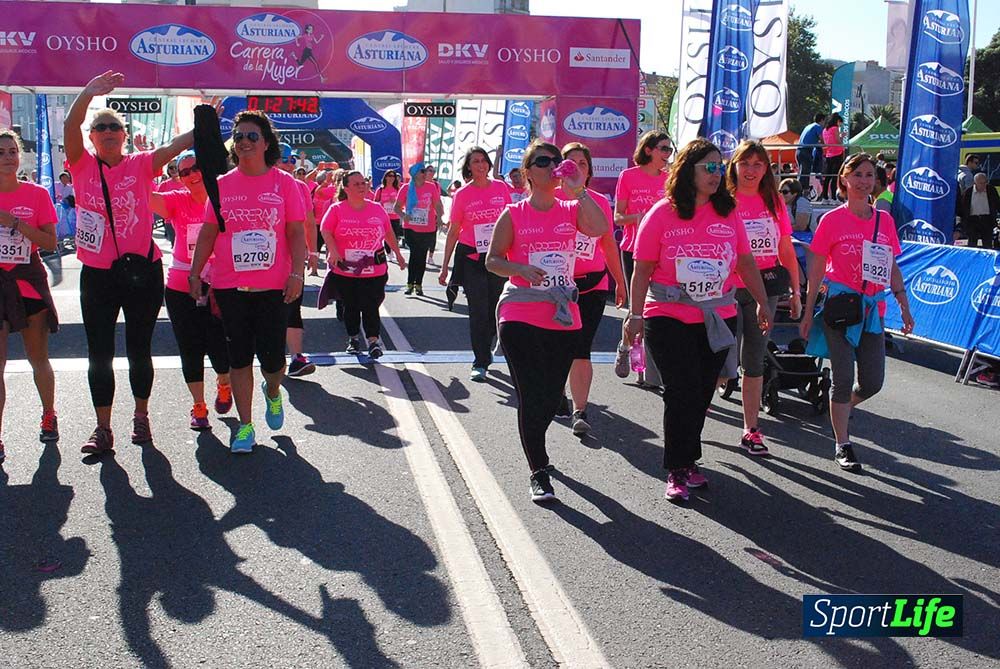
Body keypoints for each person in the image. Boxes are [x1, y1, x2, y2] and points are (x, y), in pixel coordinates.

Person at [627, 138, 770, 501]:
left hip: (717, 316)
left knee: (703, 391)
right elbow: (642, 270)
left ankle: (689, 460)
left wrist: (762, 302)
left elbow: (745, 262)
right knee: (681, 390)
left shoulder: (729, 213)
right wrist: (635, 314)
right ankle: (677, 468)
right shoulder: (661, 213)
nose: (715, 173)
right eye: (708, 166)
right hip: (669, 315)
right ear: (687, 170)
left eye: (719, 167)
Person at [65, 70, 193, 454]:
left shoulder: (139, 165)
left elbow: (173, 147)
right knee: (99, 352)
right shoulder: (81, 164)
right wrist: (88, 92)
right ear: (92, 137)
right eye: (100, 127)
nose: (107, 132)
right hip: (99, 274)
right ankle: (103, 429)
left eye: (113, 127)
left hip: (143, 271)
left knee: (140, 348)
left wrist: (205, 120)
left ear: (123, 136)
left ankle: (141, 416)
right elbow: (72, 122)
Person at [485, 140, 608, 502]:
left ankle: (540, 448)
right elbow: (492, 260)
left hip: (562, 312)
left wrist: (578, 189)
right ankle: (538, 470)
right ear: (528, 172)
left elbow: (600, 229)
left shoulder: (572, 208)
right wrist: (520, 268)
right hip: (520, 310)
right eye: (543, 161)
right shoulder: (513, 214)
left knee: (552, 395)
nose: (552, 166)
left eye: (557, 161)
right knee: (531, 395)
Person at [189, 110, 307, 454]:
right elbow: (209, 231)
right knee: (238, 359)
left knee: (273, 362)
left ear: (266, 142)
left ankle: (273, 392)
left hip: (273, 287)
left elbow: (296, 231)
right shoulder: (222, 185)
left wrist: (297, 273)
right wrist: (196, 273)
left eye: (252, 136)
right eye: (239, 136)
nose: (244, 142)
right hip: (230, 286)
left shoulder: (285, 184)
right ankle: (245, 426)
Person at [799, 152, 914, 472]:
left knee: (872, 382)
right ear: (845, 180)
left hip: (872, 309)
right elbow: (817, 271)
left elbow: (891, 267)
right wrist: (808, 313)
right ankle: (842, 443)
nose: (865, 181)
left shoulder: (884, 221)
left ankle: (841, 407)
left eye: (869, 176)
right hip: (840, 306)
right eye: (858, 175)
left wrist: (904, 306)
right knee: (842, 377)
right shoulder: (832, 220)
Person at [725, 141, 802, 456]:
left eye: (758, 164)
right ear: (735, 165)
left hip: (766, 288)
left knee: (753, 360)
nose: (751, 170)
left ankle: (750, 429)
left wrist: (796, 291)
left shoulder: (773, 202)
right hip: (726, 288)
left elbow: (785, 248)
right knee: (719, 359)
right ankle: (696, 414)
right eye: (745, 163)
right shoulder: (723, 201)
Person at [149, 150, 232, 430]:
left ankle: (224, 382)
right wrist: (145, 163)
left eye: (196, 168)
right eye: (185, 172)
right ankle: (198, 407)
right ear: (178, 178)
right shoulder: (176, 200)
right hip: (180, 284)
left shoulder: (225, 197)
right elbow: (143, 195)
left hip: (219, 284)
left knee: (219, 345)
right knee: (189, 347)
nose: (193, 175)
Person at [556, 142, 627, 435]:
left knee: (581, 348)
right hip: (555, 287)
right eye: (570, 162)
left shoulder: (598, 201)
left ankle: (579, 410)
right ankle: (557, 392)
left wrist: (620, 282)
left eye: (582, 164)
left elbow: (609, 245)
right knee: (557, 347)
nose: (576, 168)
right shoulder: (549, 199)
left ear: (589, 170)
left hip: (592, 285)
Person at [0, 129, 60, 464]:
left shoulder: (36, 194)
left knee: (38, 358)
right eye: (2, 152)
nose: (8, 157)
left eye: (12, 151)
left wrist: (17, 224)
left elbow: (51, 244)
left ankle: (49, 413)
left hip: (27, 282)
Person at [439, 147, 511, 381]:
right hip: (472, 257)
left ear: (489, 165)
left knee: (494, 310)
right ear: (468, 167)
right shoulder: (462, 195)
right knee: (478, 310)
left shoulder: (501, 188)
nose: (480, 165)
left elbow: (513, 223)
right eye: (475, 161)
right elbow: (453, 231)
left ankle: (487, 344)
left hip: (499, 257)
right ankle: (480, 360)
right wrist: (444, 266)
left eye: (483, 161)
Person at [321, 171, 405, 358]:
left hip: (374, 268)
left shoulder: (377, 208)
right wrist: (333, 250)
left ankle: (374, 341)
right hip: (347, 269)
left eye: (363, 183)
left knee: (370, 305)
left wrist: (398, 254)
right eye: (356, 184)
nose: (361, 187)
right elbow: (325, 230)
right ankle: (353, 338)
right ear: (346, 187)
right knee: (351, 305)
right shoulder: (337, 209)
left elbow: (388, 232)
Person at [613, 131, 672, 382]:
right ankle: (626, 349)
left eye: (670, 150)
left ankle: (645, 366)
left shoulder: (669, 179)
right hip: (632, 248)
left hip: (662, 251)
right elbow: (617, 217)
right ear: (648, 150)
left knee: (654, 309)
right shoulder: (628, 176)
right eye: (663, 149)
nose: (668, 154)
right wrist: (639, 219)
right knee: (636, 308)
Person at [273, 144, 318, 377]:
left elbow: (309, 223)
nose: (289, 164)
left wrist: (313, 253)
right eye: (283, 159)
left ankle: (297, 358)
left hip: (292, 259)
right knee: (268, 312)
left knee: (292, 308)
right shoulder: (261, 182)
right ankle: (272, 358)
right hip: (264, 263)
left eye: (291, 160)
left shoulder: (300, 186)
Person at [394, 162, 444, 296]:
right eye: (422, 171)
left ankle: (418, 284)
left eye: (425, 171)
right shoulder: (405, 188)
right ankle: (410, 283)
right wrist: (404, 216)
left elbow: (438, 204)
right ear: (415, 174)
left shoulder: (431, 187)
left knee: (421, 256)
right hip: (411, 228)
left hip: (427, 228)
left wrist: (439, 217)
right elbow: (396, 207)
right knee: (415, 254)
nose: (425, 173)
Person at [961, 172, 1000, 249]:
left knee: (987, 244)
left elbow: (997, 204)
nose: (983, 185)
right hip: (973, 220)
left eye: (985, 183)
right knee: (972, 244)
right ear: (975, 183)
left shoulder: (991, 190)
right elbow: (963, 208)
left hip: (987, 219)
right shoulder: (968, 192)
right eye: (980, 183)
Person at [818, 114, 845, 204]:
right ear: (837, 121)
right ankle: (834, 198)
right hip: (837, 154)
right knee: (834, 177)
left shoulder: (825, 130)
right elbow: (838, 141)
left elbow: (826, 142)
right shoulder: (835, 128)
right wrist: (842, 136)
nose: (840, 125)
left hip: (829, 154)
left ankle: (825, 197)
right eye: (840, 123)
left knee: (828, 177)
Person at [797, 113, 825, 193]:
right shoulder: (817, 126)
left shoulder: (808, 126)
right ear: (822, 120)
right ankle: (800, 192)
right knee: (805, 173)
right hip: (806, 151)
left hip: (799, 150)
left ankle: (801, 191)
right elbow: (823, 140)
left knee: (802, 172)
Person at [374, 170, 402, 246]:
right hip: (384, 217)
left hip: (395, 216)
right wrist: (384, 202)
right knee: (386, 235)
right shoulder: (380, 189)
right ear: (385, 177)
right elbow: (375, 203)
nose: (391, 178)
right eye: (389, 176)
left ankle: (393, 251)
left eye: (393, 176)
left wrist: (395, 201)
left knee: (395, 236)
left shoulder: (398, 189)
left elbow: (402, 202)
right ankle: (389, 252)